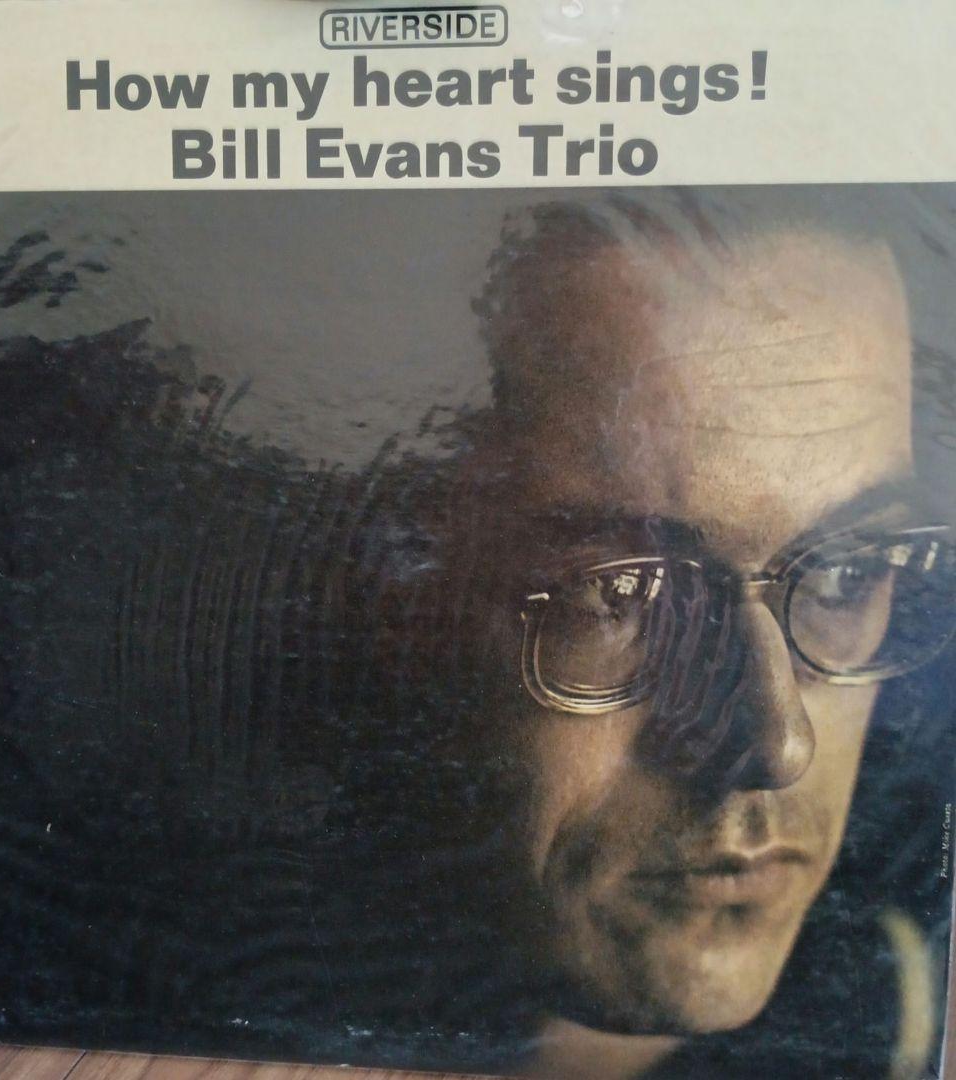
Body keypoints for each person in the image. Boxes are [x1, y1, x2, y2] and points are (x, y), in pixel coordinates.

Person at [400, 196, 955, 1079]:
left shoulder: (905, 1021)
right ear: (411, 594)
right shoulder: (183, 984)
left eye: (846, 576)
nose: (777, 746)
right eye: (620, 593)